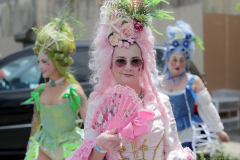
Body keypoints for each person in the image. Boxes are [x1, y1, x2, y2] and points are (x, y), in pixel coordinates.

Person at [67, 1, 196, 160]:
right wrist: (100, 146)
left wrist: (176, 156)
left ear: (143, 65)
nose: (128, 67)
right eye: (121, 61)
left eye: (135, 61)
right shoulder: (97, 106)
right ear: (110, 65)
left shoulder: (161, 102)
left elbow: (173, 147)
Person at [24, 10, 88, 160]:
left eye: (45, 62)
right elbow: (36, 119)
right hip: (43, 146)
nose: (40, 66)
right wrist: (30, 141)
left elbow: (89, 122)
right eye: (39, 61)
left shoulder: (73, 90)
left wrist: (93, 147)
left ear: (57, 61)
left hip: (69, 147)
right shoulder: (39, 90)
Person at [159, 21, 229, 154]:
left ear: (186, 62)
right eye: (174, 59)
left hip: (185, 135)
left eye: (182, 60)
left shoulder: (193, 81)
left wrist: (218, 130)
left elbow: (207, 107)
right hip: (161, 135)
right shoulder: (157, 81)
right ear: (167, 60)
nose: (178, 64)